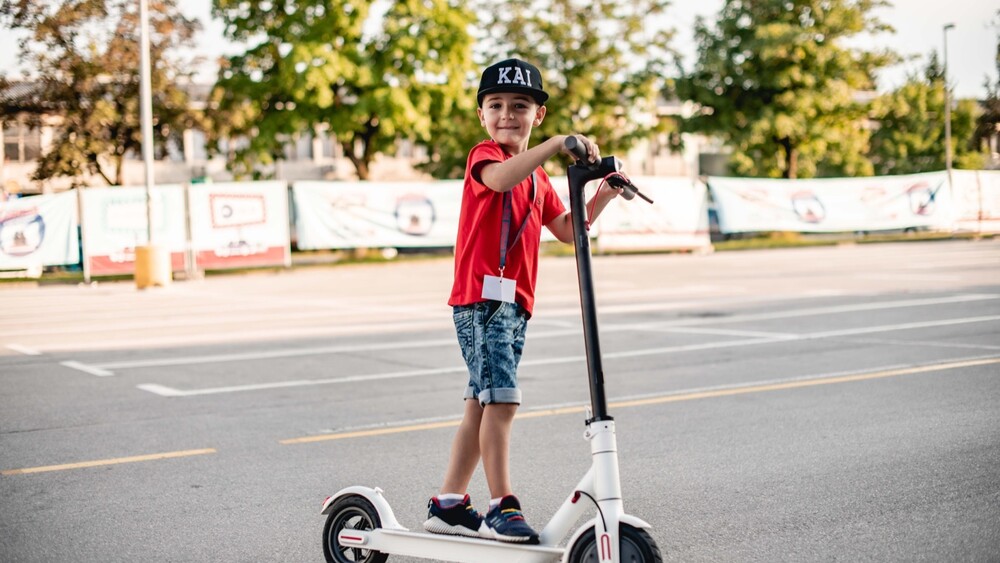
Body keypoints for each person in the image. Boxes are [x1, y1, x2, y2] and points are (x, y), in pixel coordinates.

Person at [423, 58, 622, 544]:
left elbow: (566, 229)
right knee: (503, 400)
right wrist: (557, 146)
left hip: (512, 305)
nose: (507, 115)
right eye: (496, 106)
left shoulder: (540, 180)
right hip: (480, 301)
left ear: (538, 114)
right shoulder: (485, 157)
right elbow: (499, 181)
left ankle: (448, 503)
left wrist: (603, 196)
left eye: (520, 106)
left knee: (482, 401)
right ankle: (500, 506)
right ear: (482, 115)